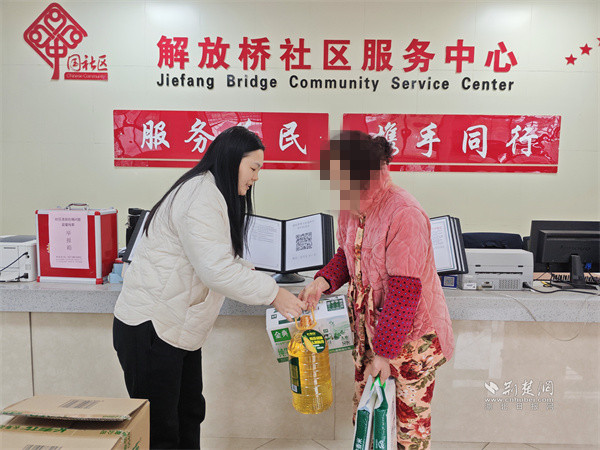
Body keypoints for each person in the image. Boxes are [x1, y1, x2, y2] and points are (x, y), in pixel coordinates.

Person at [112, 126, 305, 449]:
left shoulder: (210, 192)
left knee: (189, 414)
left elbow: (219, 260)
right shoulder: (200, 197)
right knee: (162, 431)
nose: (256, 177)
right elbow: (216, 271)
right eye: (253, 168)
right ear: (232, 160)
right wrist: (274, 294)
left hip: (176, 331)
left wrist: (256, 278)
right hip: (151, 329)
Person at [300, 130, 454, 449]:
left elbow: (404, 291)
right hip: (372, 334)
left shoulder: (404, 212)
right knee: (370, 421)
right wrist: (322, 281)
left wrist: (384, 354)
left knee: (406, 429)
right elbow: (347, 255)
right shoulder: (351, 207)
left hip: (411, 341)